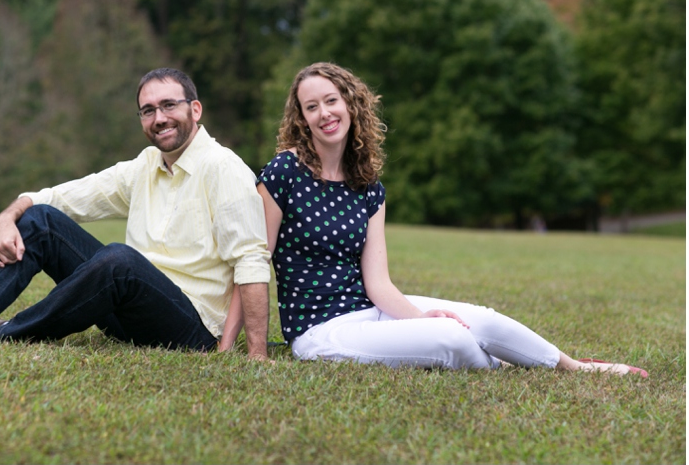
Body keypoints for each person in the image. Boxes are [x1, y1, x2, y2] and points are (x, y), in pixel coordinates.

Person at [222, 62, 647, 377]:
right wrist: (231, 345)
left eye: (331, 100)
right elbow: (254, 262)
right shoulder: (283, 173)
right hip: (318, 332)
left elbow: (379, 284)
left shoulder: (368, 187)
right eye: (311, 106)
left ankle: (575, 367)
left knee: (482, 318)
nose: (324, 113)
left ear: (350, 105)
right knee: (452, 337)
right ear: (302, 118)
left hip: (369, 311)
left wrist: (415, 317)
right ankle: (503, 364)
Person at [0, 68, 272, 360]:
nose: (159, 117)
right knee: (40, 218)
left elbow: (251, 262)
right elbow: (65, 197)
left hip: (190, 328)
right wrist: (8, 215)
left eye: (169, 105)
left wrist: (250, 352)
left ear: (195, 109)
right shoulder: (146, 166)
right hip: (130, 309)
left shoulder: (224, 168)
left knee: (119, 260)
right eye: (147, 110)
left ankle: (12, 331)